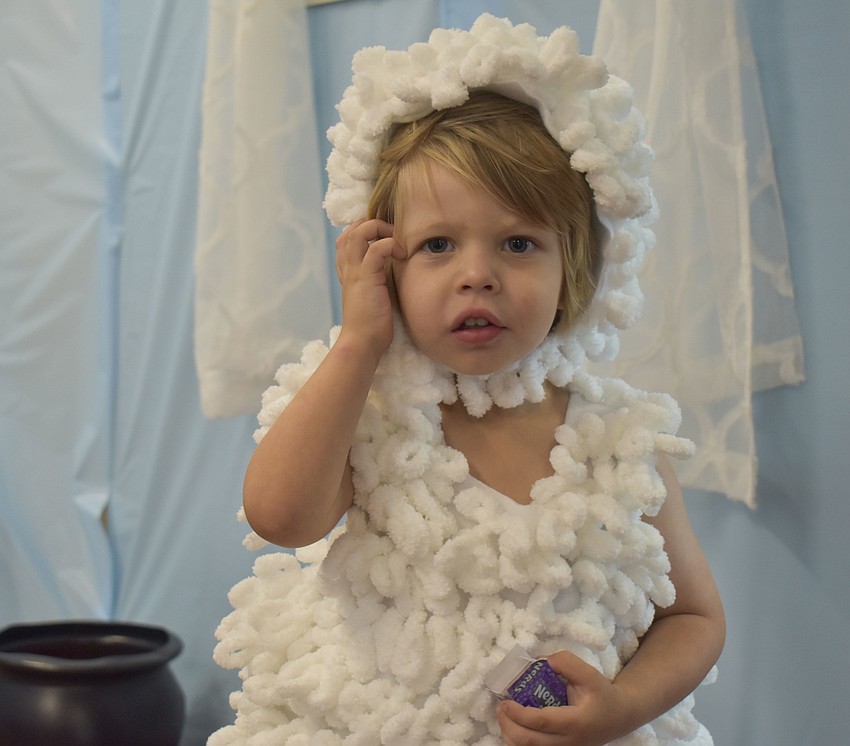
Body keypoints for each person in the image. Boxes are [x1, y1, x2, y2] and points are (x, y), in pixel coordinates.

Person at [209, 14, 725, 746]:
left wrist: (622, 706)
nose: (477, 274)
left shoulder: (618, 441)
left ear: (575, 266)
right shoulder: (374, 418)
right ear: (385, 263)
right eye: (437, 245)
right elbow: (279, 517)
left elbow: (694, 619)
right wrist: (360, 341)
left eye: (519, 243)